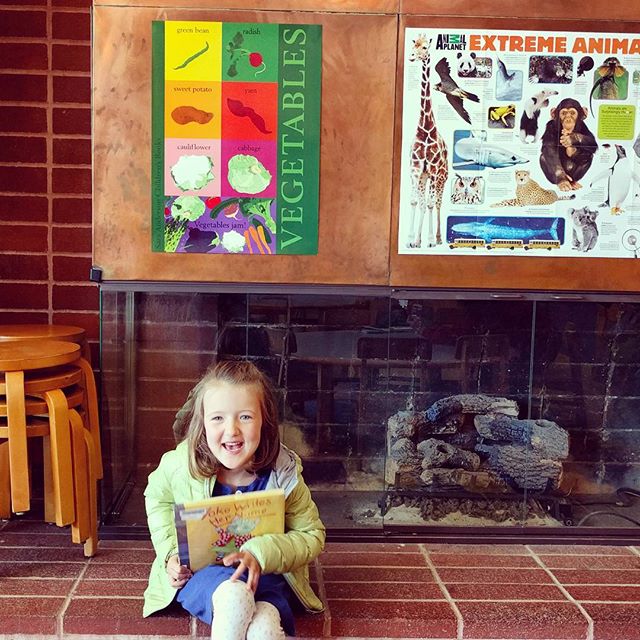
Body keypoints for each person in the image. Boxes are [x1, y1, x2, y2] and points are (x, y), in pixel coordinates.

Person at [143, 360, 325, 640]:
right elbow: (157, 498)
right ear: (202, 421)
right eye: (218, 418)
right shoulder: (180, 464)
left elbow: (311, 535)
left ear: (265, 420)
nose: (232, 431)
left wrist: (262, 552)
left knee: (264, 628)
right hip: (205, 576)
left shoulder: (283, 472)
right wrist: (170, 553)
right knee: (234, 596)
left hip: (265, 579)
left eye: (245, 417)